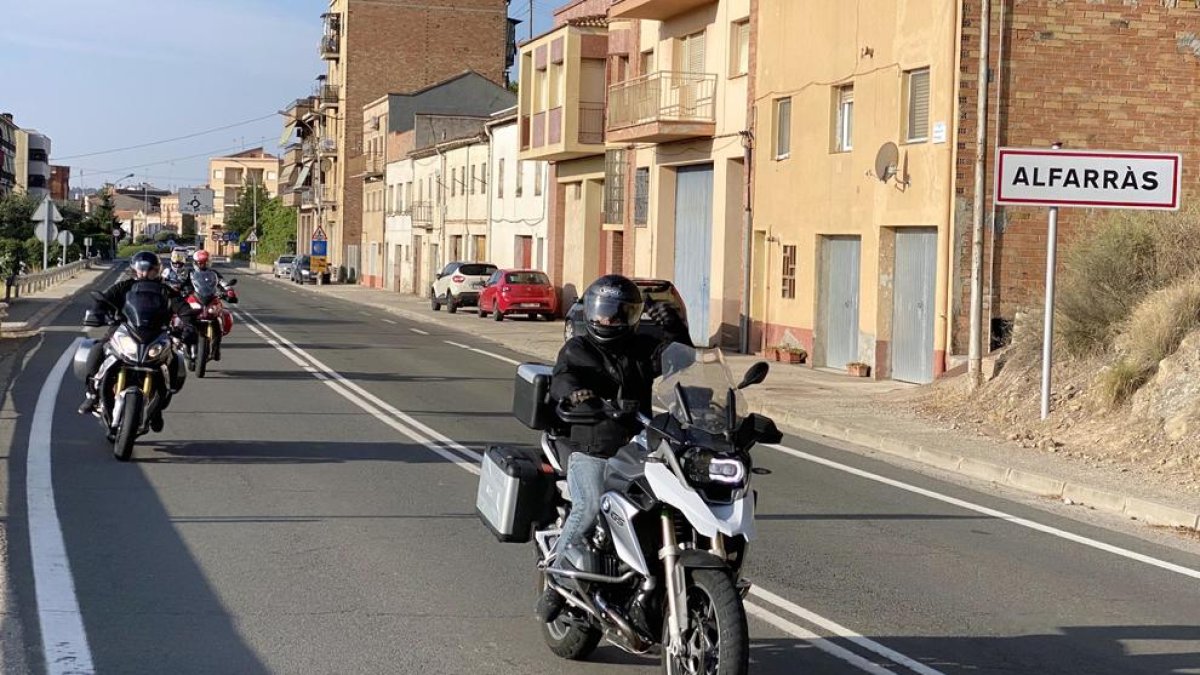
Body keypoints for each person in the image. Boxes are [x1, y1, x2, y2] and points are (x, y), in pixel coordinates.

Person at [537, 274, 691, 623]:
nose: (607, 320)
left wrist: (677, 331)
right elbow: (564, 377)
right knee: (589, 505)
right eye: (601, 312)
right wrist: (575, 394)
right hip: (591, 446)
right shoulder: (578, 348)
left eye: (616, 313)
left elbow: (680, 362)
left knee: (671, 500)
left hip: (638, 447)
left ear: (630, 316)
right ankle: (557, 579)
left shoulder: (641, 346)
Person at [78, 251, 197, 428]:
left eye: (150, 270)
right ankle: (92, 395)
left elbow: (184, 309)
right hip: (125, 329)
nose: (145, 273)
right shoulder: (124, 286)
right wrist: (97, 313)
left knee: (173, 361)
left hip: (157, 334)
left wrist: (189, 326)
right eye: (142, 269)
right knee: (98, 348)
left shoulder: (166, 291)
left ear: (157, 271)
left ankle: (157, 408)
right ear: (134, 269)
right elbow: (103, 300)